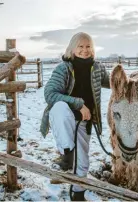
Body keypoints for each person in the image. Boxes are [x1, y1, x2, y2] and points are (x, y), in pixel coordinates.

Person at [40, 32, 110, 201]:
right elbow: (49, 94)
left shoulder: (98, 68)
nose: (85, 50)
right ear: (72, 48)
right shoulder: (63, 68)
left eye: (88, 46)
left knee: (83, 163)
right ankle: (66, 153)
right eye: (80, 46)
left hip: (85, 121)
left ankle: (78, 194)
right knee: (59, 107)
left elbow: (115, 82)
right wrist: (79, 104)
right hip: (66, 119)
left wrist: (134, 80)